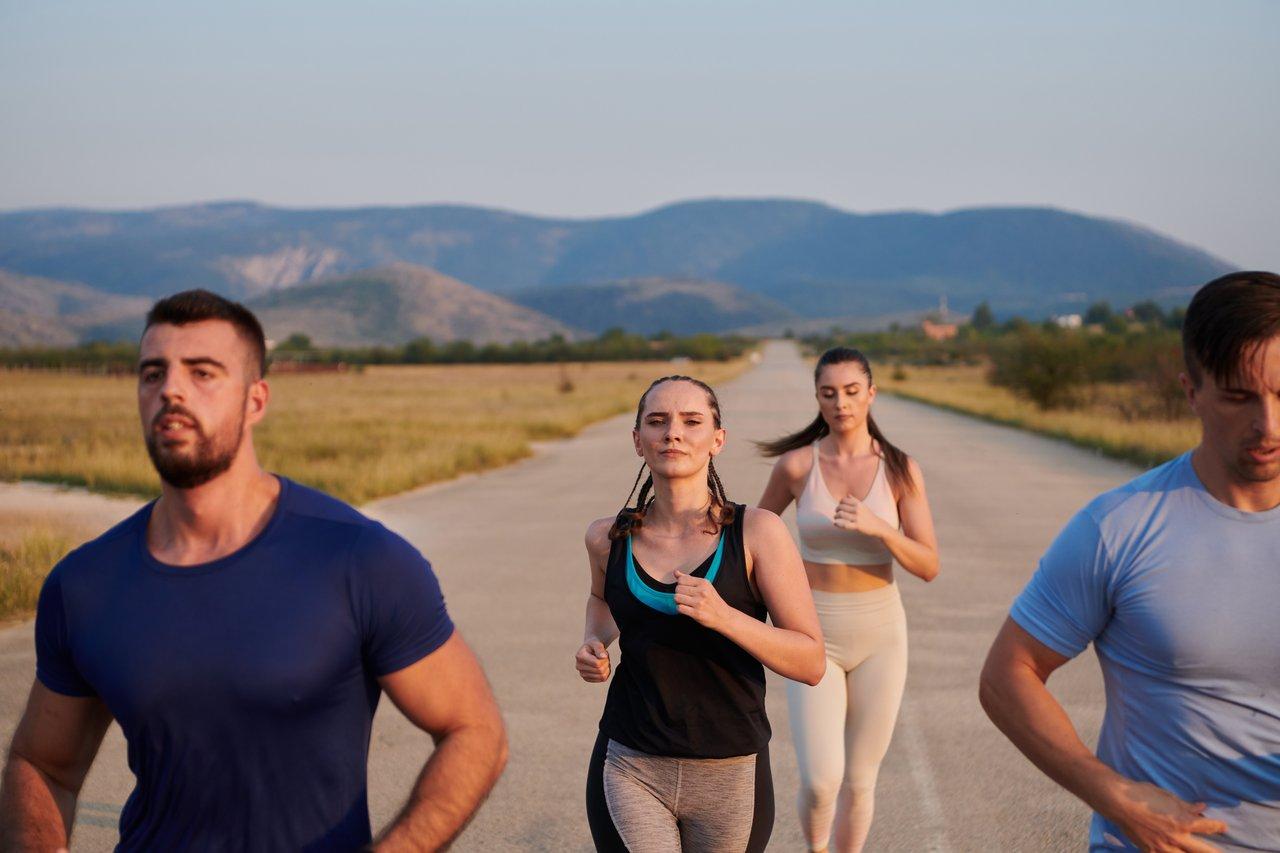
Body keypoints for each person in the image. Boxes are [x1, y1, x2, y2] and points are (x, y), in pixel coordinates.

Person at [0, 290, 507, 851]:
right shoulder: (85, 584)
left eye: (202, 372)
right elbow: (42, 763)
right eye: (153, 373)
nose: (171, 390)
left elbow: (474, 731)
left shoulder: (358, 559)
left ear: (255, 400)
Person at [980, 271, 1280, 852]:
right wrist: (1114, 796)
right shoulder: (1118, 526)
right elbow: (1007, 675)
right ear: (1191, 392)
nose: (1268, 424)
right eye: (1239, 396)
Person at [576, 375, 825, 853]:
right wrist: (594, 640)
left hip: (730, 771)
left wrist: (725, 616)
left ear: (717, 440)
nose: (673, 432)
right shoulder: (607, 537)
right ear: (638, 441)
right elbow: (602, 598)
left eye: (691, 421)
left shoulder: (757, 533)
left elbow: (811, 662)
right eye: (657, 421)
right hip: (631, 761)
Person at [757, 346, 940, 853]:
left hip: (881, 633)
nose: (841, 403)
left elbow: (928, 565)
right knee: (820, 781)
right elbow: (754, 536)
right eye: (829, 393)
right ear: (817, 397)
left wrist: (880, 528)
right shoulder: (798, 466)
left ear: (871, 394)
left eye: (852, 391)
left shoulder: (900, 469)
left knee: (860, 780)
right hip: (813, 631)